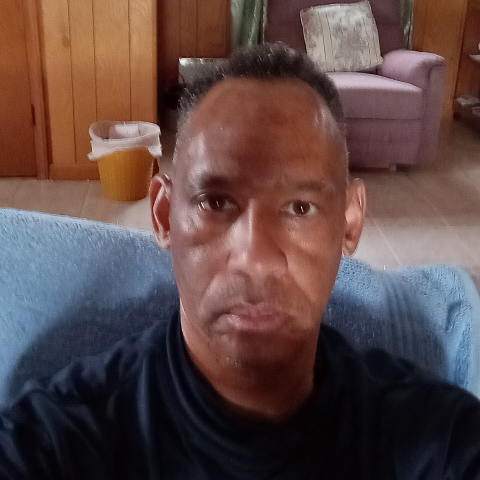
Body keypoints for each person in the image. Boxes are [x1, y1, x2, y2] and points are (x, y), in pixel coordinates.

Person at [1, 43, 480, 479]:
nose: (255, 259)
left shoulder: (436, 436)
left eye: (300, 208)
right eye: (215, 202)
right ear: (164, 215)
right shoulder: (57, 440)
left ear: (349, 223)